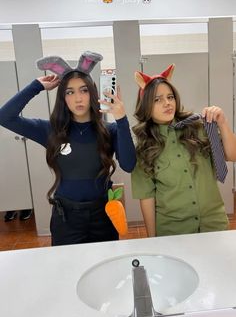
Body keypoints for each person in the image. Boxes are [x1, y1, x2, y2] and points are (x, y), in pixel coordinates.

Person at [0, 51, 136, 245]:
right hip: (67, 218)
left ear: (93, 92)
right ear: (63, 98)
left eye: (84, 90)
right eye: (70, 92)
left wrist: (121, 119)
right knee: (67, 270)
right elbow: (5, 116)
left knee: (104, 270)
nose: (78, 98)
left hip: (103, 214)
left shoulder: (111, 130)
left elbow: (129, 165)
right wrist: (36, 86)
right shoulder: (50, 130)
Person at [131, 64, 236, 237]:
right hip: (173, 232)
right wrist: (152, 239)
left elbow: (232, 155)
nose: (167, 103)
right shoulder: (144, 148)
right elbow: (147, 198)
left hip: (214, 225)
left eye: (170, 97)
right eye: (157, 99)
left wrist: (223, 122)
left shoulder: (199, 127)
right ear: (146, 106)